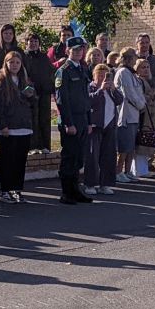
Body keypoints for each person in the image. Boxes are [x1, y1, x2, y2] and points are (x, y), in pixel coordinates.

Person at [0, 51, 37, 203]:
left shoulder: (25, 80)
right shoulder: (1, 81)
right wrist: (2, 125)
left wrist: (31, 97)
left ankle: (17, 189)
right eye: (11, 62)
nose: (15, 65)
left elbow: (32, 104)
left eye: (17, 62)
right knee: (7, 161)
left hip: (23, 127)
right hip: (8, 129)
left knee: (19, 161)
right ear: (6, 64)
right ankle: (5, 191)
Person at [54, 35, 93, 204]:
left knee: (79, 157)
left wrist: (89, 120)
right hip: (71, 120)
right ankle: (66, 192)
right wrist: (69, 123)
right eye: (75, 50)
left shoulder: (82, 69)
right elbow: (62, 100)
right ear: (68, 51)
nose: (78, 52)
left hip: (83, 118)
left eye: (80, 49)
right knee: (69, 157)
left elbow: (86, 97)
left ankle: (76, 189)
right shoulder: (64, 71)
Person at [85, 62, 123, 196]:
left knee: (108, 156)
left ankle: (105, 184)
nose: (102, 78)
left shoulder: (110, 89)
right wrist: (100, 90)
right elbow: (89, 101)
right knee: (92, 157)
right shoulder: (91, 87)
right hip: (95, 126)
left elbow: (120, 100)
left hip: (110, 126)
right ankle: (90, 184)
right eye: (99, 75)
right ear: (94, 75)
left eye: (105, 76)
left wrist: (113, 89)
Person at [113, 47, 147, 182]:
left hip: (134, 115)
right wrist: (141, 105)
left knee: (131, 146)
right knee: (124, 147)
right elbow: (129, 94)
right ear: (128, 58)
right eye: (133, 56)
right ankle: (118, 172)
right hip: (126, 115)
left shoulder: (131, 73)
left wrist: (142, 103)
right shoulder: (123, 72)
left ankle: (128, 171)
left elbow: (139, 91)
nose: (135, 59)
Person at [23, 32, 57, 152]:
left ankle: (45, 146)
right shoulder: (24, 57)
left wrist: (51, 88)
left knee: (44, 119)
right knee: (33, 119)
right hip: (31, 94)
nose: (33, 44)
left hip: (44, 93)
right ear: (26, 43)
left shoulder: (44, 57)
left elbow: (51, 72)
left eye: (36, 42)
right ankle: (33, 147)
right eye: (31, 41)